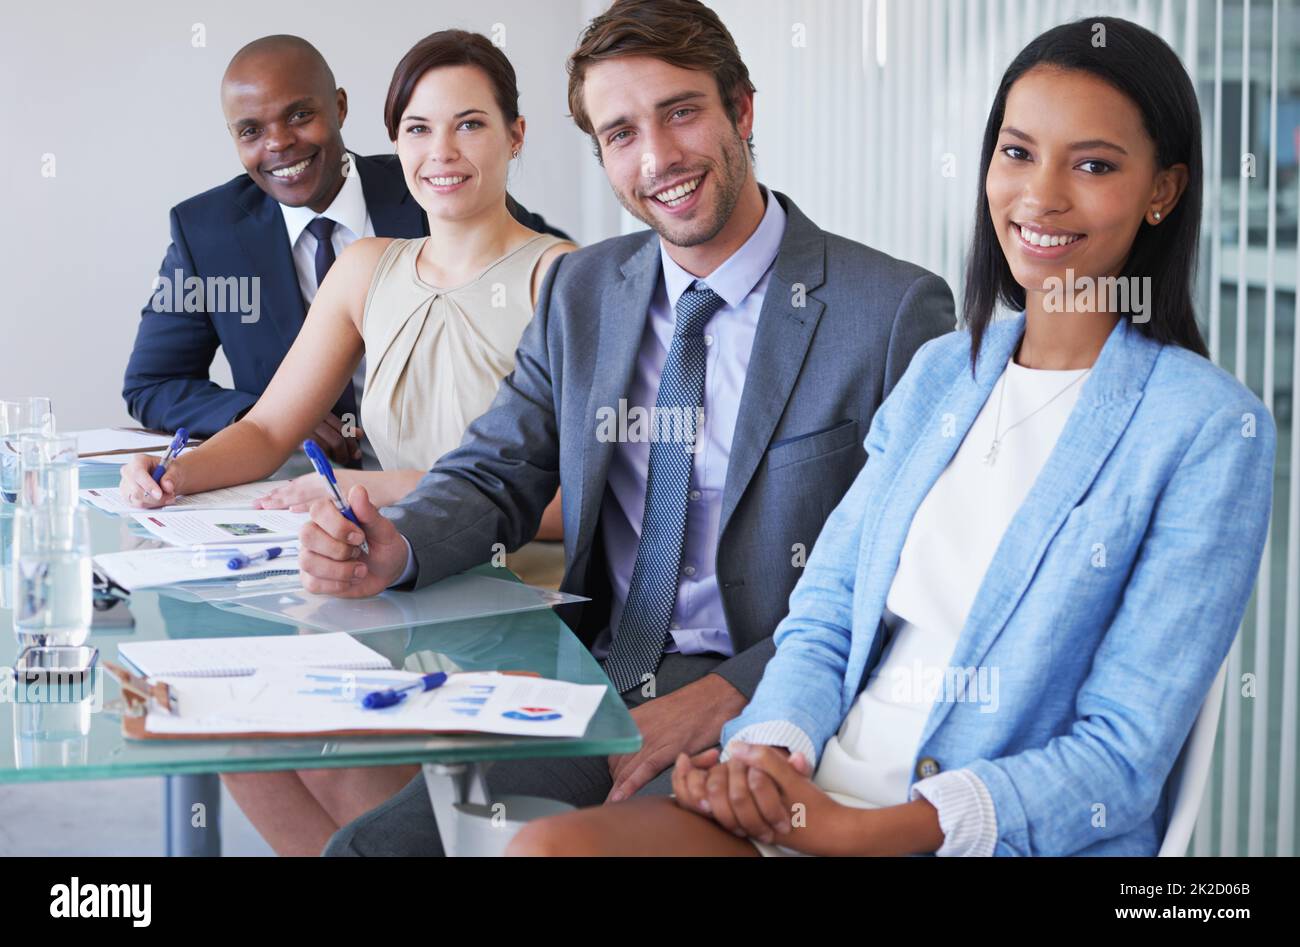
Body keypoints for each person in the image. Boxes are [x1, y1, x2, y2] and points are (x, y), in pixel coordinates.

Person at [505, 16, 1277, 857]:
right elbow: (827, 614)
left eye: (1093, 165)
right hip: (813, 791)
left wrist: (864, 830)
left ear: (1162, 190)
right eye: (1017, 153)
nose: (1041, 195)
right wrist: (766, 759)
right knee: (545, 849)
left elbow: (1120, 755)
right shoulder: (947, 371)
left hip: (951, 830)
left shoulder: (1205, 428)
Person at [297, 0, 955, 856]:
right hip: (599, 677)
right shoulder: (585, 291)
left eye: (681, 112)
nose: (657, 157)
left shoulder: (894, 311)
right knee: (368, 853)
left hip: (778, 700)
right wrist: (401, 543)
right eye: (619, 133)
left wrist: (727, 693)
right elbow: (496, 471)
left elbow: (914, 579)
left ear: (742, 111)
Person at [120, 29, 577, 856]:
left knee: (332, 767)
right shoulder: (366, 266)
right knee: (215, 716)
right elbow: (263, 431)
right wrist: (174, 471)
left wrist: (399, 487)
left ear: (515, 133)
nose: (441, 152)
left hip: (512, 606)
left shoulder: (565, 281)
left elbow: (578, 505)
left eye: (470, 125)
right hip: (385, 591)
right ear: (392, 140)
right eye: (418, 129)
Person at [121, 34, 567, 471]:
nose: (277, 143)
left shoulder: (442, 189)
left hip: (458, 489)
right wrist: (179, 469)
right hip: (298, 476)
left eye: (298, 115)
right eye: (252, 130)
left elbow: (536, 267)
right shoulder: (207, 232)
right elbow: (159, 385)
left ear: (339, 108)